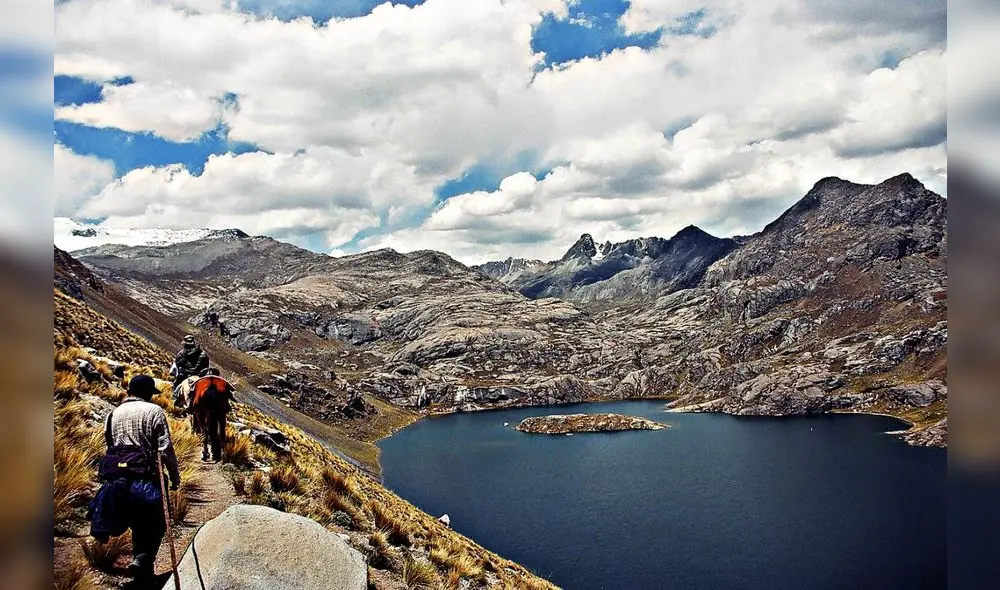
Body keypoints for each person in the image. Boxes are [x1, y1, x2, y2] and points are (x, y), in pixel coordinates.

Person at [89, 375, 181, 579]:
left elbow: (110, 444)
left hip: (118, 477)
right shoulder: (154, 411)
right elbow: (165, 449)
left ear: (130, 391)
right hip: (146, 476)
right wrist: (174, 475)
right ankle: (143, 557)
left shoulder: (113, 414)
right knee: (155, 521)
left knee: (131, 516)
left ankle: (138, 561)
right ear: (148, 394)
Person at [188, 367, 237, 462]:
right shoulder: (222, 382)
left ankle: (205, 449)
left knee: (203, 427)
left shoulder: (198, 382)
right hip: (220, 408)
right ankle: (223, 452)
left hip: (202, 406)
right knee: (221, 427)